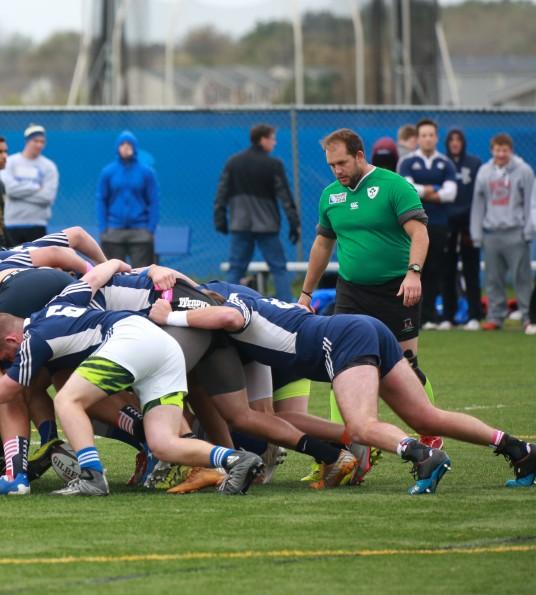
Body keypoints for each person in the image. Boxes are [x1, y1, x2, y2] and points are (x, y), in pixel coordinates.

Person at [148, 290, 536, 494]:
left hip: (341, 339)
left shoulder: (231, 304)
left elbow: (229, 316)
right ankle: (519, 449)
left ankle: (423, 455)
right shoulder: (241, 301)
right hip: (362, 328)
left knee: (362, 425)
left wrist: (172, 316)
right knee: (425, 416)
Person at [0, 269, 266, 497]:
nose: (12, 361)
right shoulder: (58, 303)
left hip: (129, 337)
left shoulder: (31, 339)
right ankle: (236, 460)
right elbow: (93, 277)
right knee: (163, 444)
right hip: (163, 347)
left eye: (7, 355)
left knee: (67, 399)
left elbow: (4, 392)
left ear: (11, 339)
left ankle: (92, 476)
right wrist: (116, 263)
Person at [298, 128, 442, 449]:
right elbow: (323, 244)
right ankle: (347, 447)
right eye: (332, 165)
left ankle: (431, 431)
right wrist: (306, 294)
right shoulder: (330, 195)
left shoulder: (395, 186)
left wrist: (413, 274)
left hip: (398, 289)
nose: (338, 171)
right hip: (351, 291)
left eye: (343, 163)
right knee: (342, 367)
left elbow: (420, 235)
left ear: (360, 156)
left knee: (406, 365)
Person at [214, 123, 301, 302]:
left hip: (240, 223)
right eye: (272, 138)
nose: (274, 143)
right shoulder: (273, 164)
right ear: (263, 140)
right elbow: (285, 196)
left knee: (236, 268)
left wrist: (220, 217)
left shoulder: (233, 162)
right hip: (267, 225)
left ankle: (227, 304)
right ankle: (287, 306)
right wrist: (294, 223)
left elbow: (222, 192)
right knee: (278, 268)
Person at [470, 133, 534, 331]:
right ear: (492, 150)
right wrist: (476, 233)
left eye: (504, 150)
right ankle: (495, 317)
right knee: (492, 278)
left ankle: (528, 316)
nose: (501, 154)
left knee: (521, 278)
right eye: (497, 150)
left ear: (511, 150)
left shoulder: (524, 170)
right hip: (491, 232)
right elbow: (478, 204)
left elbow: (531, 201)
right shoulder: (484, 172)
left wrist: (528, 229)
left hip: (516, 231)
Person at [397, 119, 458, 329]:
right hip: (412, 225)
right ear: (418, 138)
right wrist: (434, 190)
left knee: (435, 269)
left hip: (439, 224)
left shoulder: (446, 163)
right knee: (414, 269)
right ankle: (414, 317)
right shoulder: (407, 162)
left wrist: (422, 190)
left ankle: (431, 316)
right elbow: (407, 189)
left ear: (437, 137)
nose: (427, 139)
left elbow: (451, 193)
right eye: (423, 135)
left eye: (431, 135)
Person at [96, 130, 159, 269]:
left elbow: (154, 201)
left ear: (135, 147)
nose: (126, 147)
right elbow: (101, 200)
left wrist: (150, 229)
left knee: (143, 276)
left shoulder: (147, 172)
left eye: (129, 144)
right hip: (113, 233)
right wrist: (103, 228)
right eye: (122, 144)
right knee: (114, 275)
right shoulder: (108, 172)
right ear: (117, 147)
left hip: (140, 232)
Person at [443, 128, 484, 330]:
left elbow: (479, 195)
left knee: (471, 271)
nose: (455, 143)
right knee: (446, 270)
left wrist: (470, 217)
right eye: (452, 139)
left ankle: (475, 315)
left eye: (459, 139)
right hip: (447, 225)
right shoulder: (442, 163)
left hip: (469, 224)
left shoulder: (474, 163)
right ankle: (448, 316)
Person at [0, 124, 59, 245]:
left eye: (42, 142)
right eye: (35, 141)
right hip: (11, 224)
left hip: (37, 224)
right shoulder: (10, 162)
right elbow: (8, 189)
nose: (39, 145)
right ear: (27, 141)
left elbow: (47, 197)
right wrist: (36, 187)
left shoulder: (49, 166)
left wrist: (18, 193)